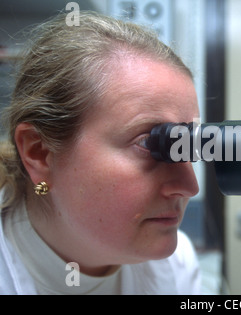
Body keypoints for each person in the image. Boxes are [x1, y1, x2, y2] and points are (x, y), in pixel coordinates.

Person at [0, 11, 201, 294]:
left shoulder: (177, 267)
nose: (190, 187)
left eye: (187, 146)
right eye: (151, 143)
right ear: (39, 153)